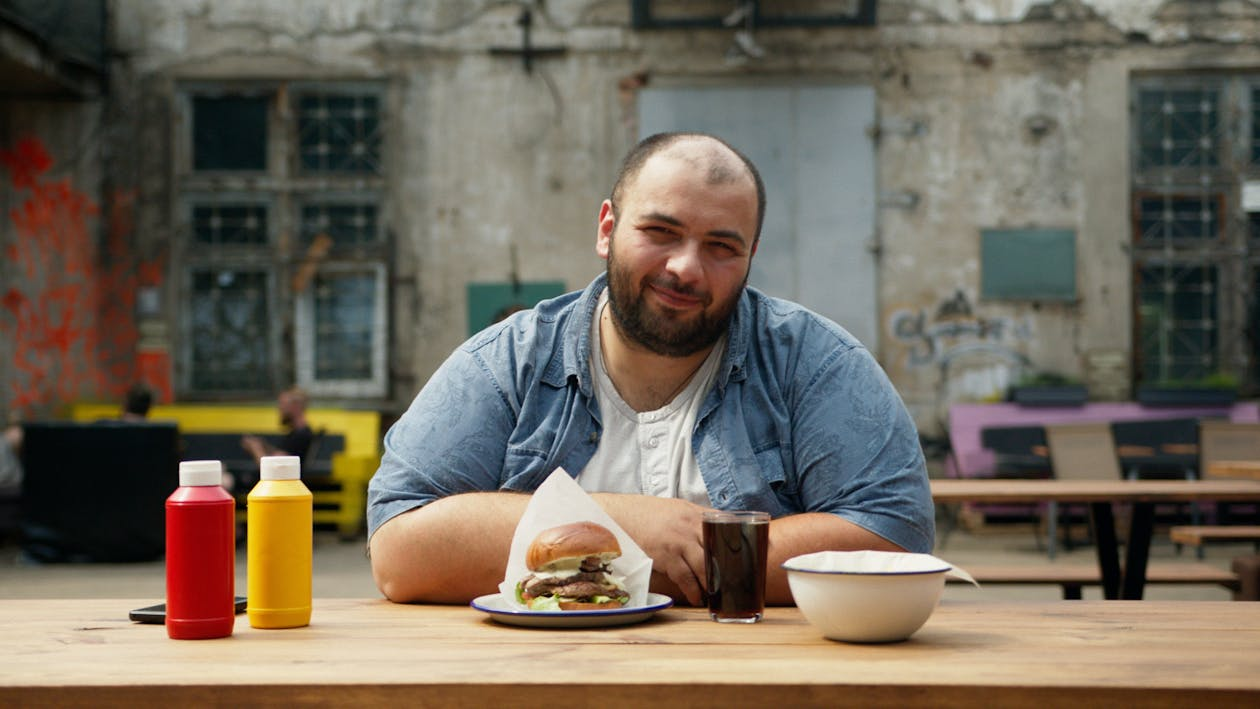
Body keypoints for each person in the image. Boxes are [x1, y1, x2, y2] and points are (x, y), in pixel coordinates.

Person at [368, 132, 934, 607]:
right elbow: (398, 550)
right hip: (542, 679)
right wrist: (628, 529)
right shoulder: (508, 362)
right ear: (607, 229)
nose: (686, 267)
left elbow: (896, 536)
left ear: (750, 256)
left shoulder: (814, 363)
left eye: (721, 246)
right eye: (660, 233)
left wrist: (668, 557)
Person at [241, 387, 313, 463]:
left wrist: (256, 448)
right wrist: (264, 446)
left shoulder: (301, 436)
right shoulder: (297, 433)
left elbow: (277, 467)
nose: (280, 410)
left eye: (283, 405)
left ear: (296, 407)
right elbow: (280, 455)